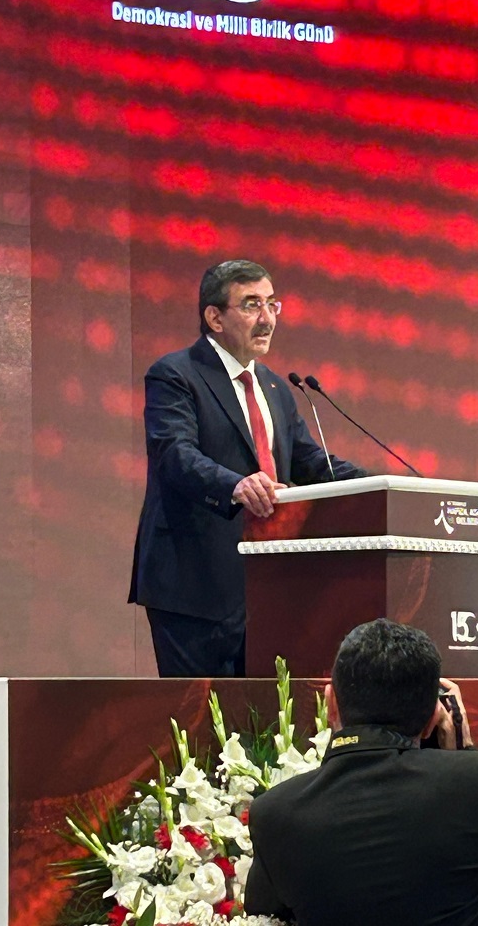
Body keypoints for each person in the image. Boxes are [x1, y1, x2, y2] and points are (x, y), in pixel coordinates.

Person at [128, 260, 366, 677]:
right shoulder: (175, 375)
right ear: (214, 317)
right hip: (193, 584)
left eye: (272, 304)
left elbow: (311, 463)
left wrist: (381, 486)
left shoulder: (274, 387)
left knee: (266, 712)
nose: (267, 318)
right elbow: (174, 454)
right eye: (252, 305)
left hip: (266, 585)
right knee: (203, 715)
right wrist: (235, 485)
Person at [245, 618, 478, 926]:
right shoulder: (469, 781)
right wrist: (465, 750)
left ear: (330, 704)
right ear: (432, 719)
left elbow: (263, 916)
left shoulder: (274, 813)